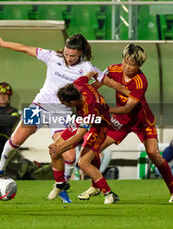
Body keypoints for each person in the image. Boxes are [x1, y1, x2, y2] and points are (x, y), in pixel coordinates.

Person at [0, 34, 106, 201]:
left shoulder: (86, 67)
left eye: (72, 55)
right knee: (16, 139)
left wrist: (89, 90)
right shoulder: (52, 56)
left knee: (69, 156)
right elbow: (25, 49)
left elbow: (104, 80)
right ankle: (0, 168)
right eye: (66, 54)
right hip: (39, 106)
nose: (68, 58)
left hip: (61, 113)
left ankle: (63, 186)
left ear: (80, 52)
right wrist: (3, 43)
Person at [79, 44, 173, 203]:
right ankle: (96, 186)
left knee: (153, 153)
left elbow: (128, 109)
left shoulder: (141, 81)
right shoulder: (113, 69)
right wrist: (83, 97)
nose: (127, 66)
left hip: (142, 122)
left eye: (132, 64)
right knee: (93, 148)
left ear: (139, 65)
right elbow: (96, 86)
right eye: (125, 61)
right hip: (121, 123)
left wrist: (104, 110)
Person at [48, 71, 120, 204]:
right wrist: (97, 75)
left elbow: (78, 137)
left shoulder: (90, 107)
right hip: (80, 120)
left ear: (74, 101)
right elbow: (90, 73)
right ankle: (60, 184)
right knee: (53, 148)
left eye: (66, 103)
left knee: (83, 162)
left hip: (99, 127)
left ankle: (109, 194)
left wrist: (60, 148)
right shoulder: (78, 84)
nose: (64, 105)